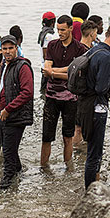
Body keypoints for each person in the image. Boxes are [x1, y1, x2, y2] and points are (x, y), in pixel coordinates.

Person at [78, 23, 110, 188]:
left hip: (85, 105)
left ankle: (93, 186)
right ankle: (90, 193)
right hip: (97, 108)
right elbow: (101, 88)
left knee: (92, 150)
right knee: (94, 154)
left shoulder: (93, 49)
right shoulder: (105, 56)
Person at [40, 15, 87, 168]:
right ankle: (44, 167)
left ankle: (68, 167)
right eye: (58, 30)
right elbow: (47, 68)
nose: (60, 33)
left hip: (70, 98)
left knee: (68, 136)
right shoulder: (53, 45)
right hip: (51, 97)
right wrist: (63, 72)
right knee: (46, 137)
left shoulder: (79, 48)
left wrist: (53, 73)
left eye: (63, 30)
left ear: (71, 28)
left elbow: (73, 73)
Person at [0, 35, 34, 189]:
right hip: (3, 114)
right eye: (4, 49)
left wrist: (8, 109)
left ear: (17, 48)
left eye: (10, 48)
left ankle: (6, 183)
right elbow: (2, 89)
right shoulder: (5, 65)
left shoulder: (22, 66)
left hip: (15, 115)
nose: (7, 51)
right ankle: (19, 171)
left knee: (8, 150)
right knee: (10, 147)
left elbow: (27, 92)